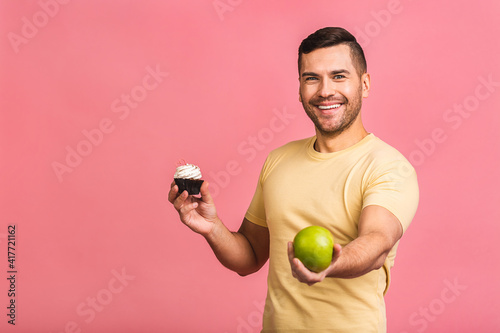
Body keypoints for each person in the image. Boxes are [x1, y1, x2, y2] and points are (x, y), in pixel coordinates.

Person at [169, 27, 419, 333]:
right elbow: (249, 257)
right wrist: (211, 227)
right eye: (311, 78)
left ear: (364, 84)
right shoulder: (279, 160)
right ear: (299, 88)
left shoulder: (389, 167)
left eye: (339, 76)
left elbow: (377, 242)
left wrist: (331, 264)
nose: (325, 90)